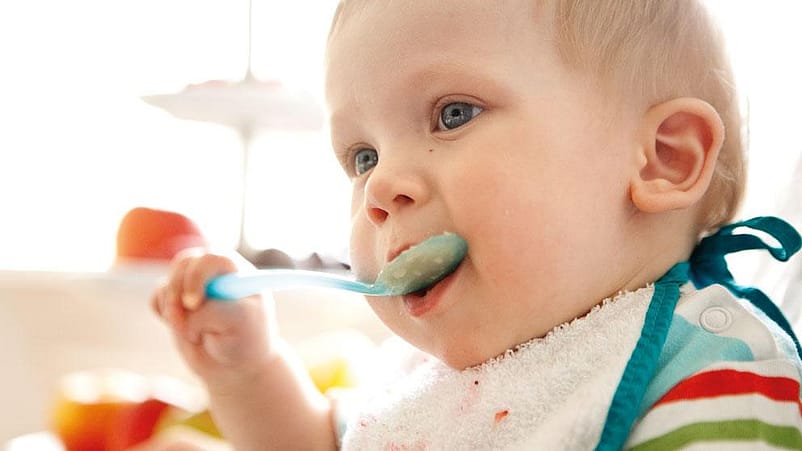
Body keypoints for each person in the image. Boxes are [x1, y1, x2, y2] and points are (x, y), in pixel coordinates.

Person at [150, 0, 802, 449]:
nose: (378, 187)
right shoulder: (425, 381)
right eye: (362, 156)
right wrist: (248, 370)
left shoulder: (713, 379)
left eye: (453, 114)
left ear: (664, 159)